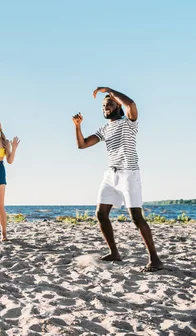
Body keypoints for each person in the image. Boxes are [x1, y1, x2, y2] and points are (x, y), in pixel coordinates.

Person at [72, 87, 163, 272]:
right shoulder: (104, 129)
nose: (106, 107)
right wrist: (77, 126)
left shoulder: (129, 123)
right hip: (110, 175)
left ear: (118, 107)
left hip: (129, 173)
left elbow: (131, 104)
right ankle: (114, 253)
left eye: (110, 103)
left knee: (136, 217)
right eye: (104, 105)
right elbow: (82, 145)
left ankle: (155, 260)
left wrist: (109, 91)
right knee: (100, 214)